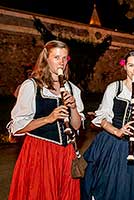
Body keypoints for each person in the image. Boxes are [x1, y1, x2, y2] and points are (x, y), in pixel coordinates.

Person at [7, 40, 85, 200]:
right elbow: (17, 127)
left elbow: (77, 125)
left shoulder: (72, 88)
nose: (61, 62)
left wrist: (73, 107)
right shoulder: (32, 86)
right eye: (56, 57)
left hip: (66, 153)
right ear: (46, 59)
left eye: (64, 58)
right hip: (40, 152)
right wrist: (49, 118)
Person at [81, 50, 134, 200]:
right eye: (131, 65)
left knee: (130, 190)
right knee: (107, 187)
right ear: (124, 67)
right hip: (111, 144)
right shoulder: (114, 88)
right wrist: (117, 131)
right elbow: (102, 118)